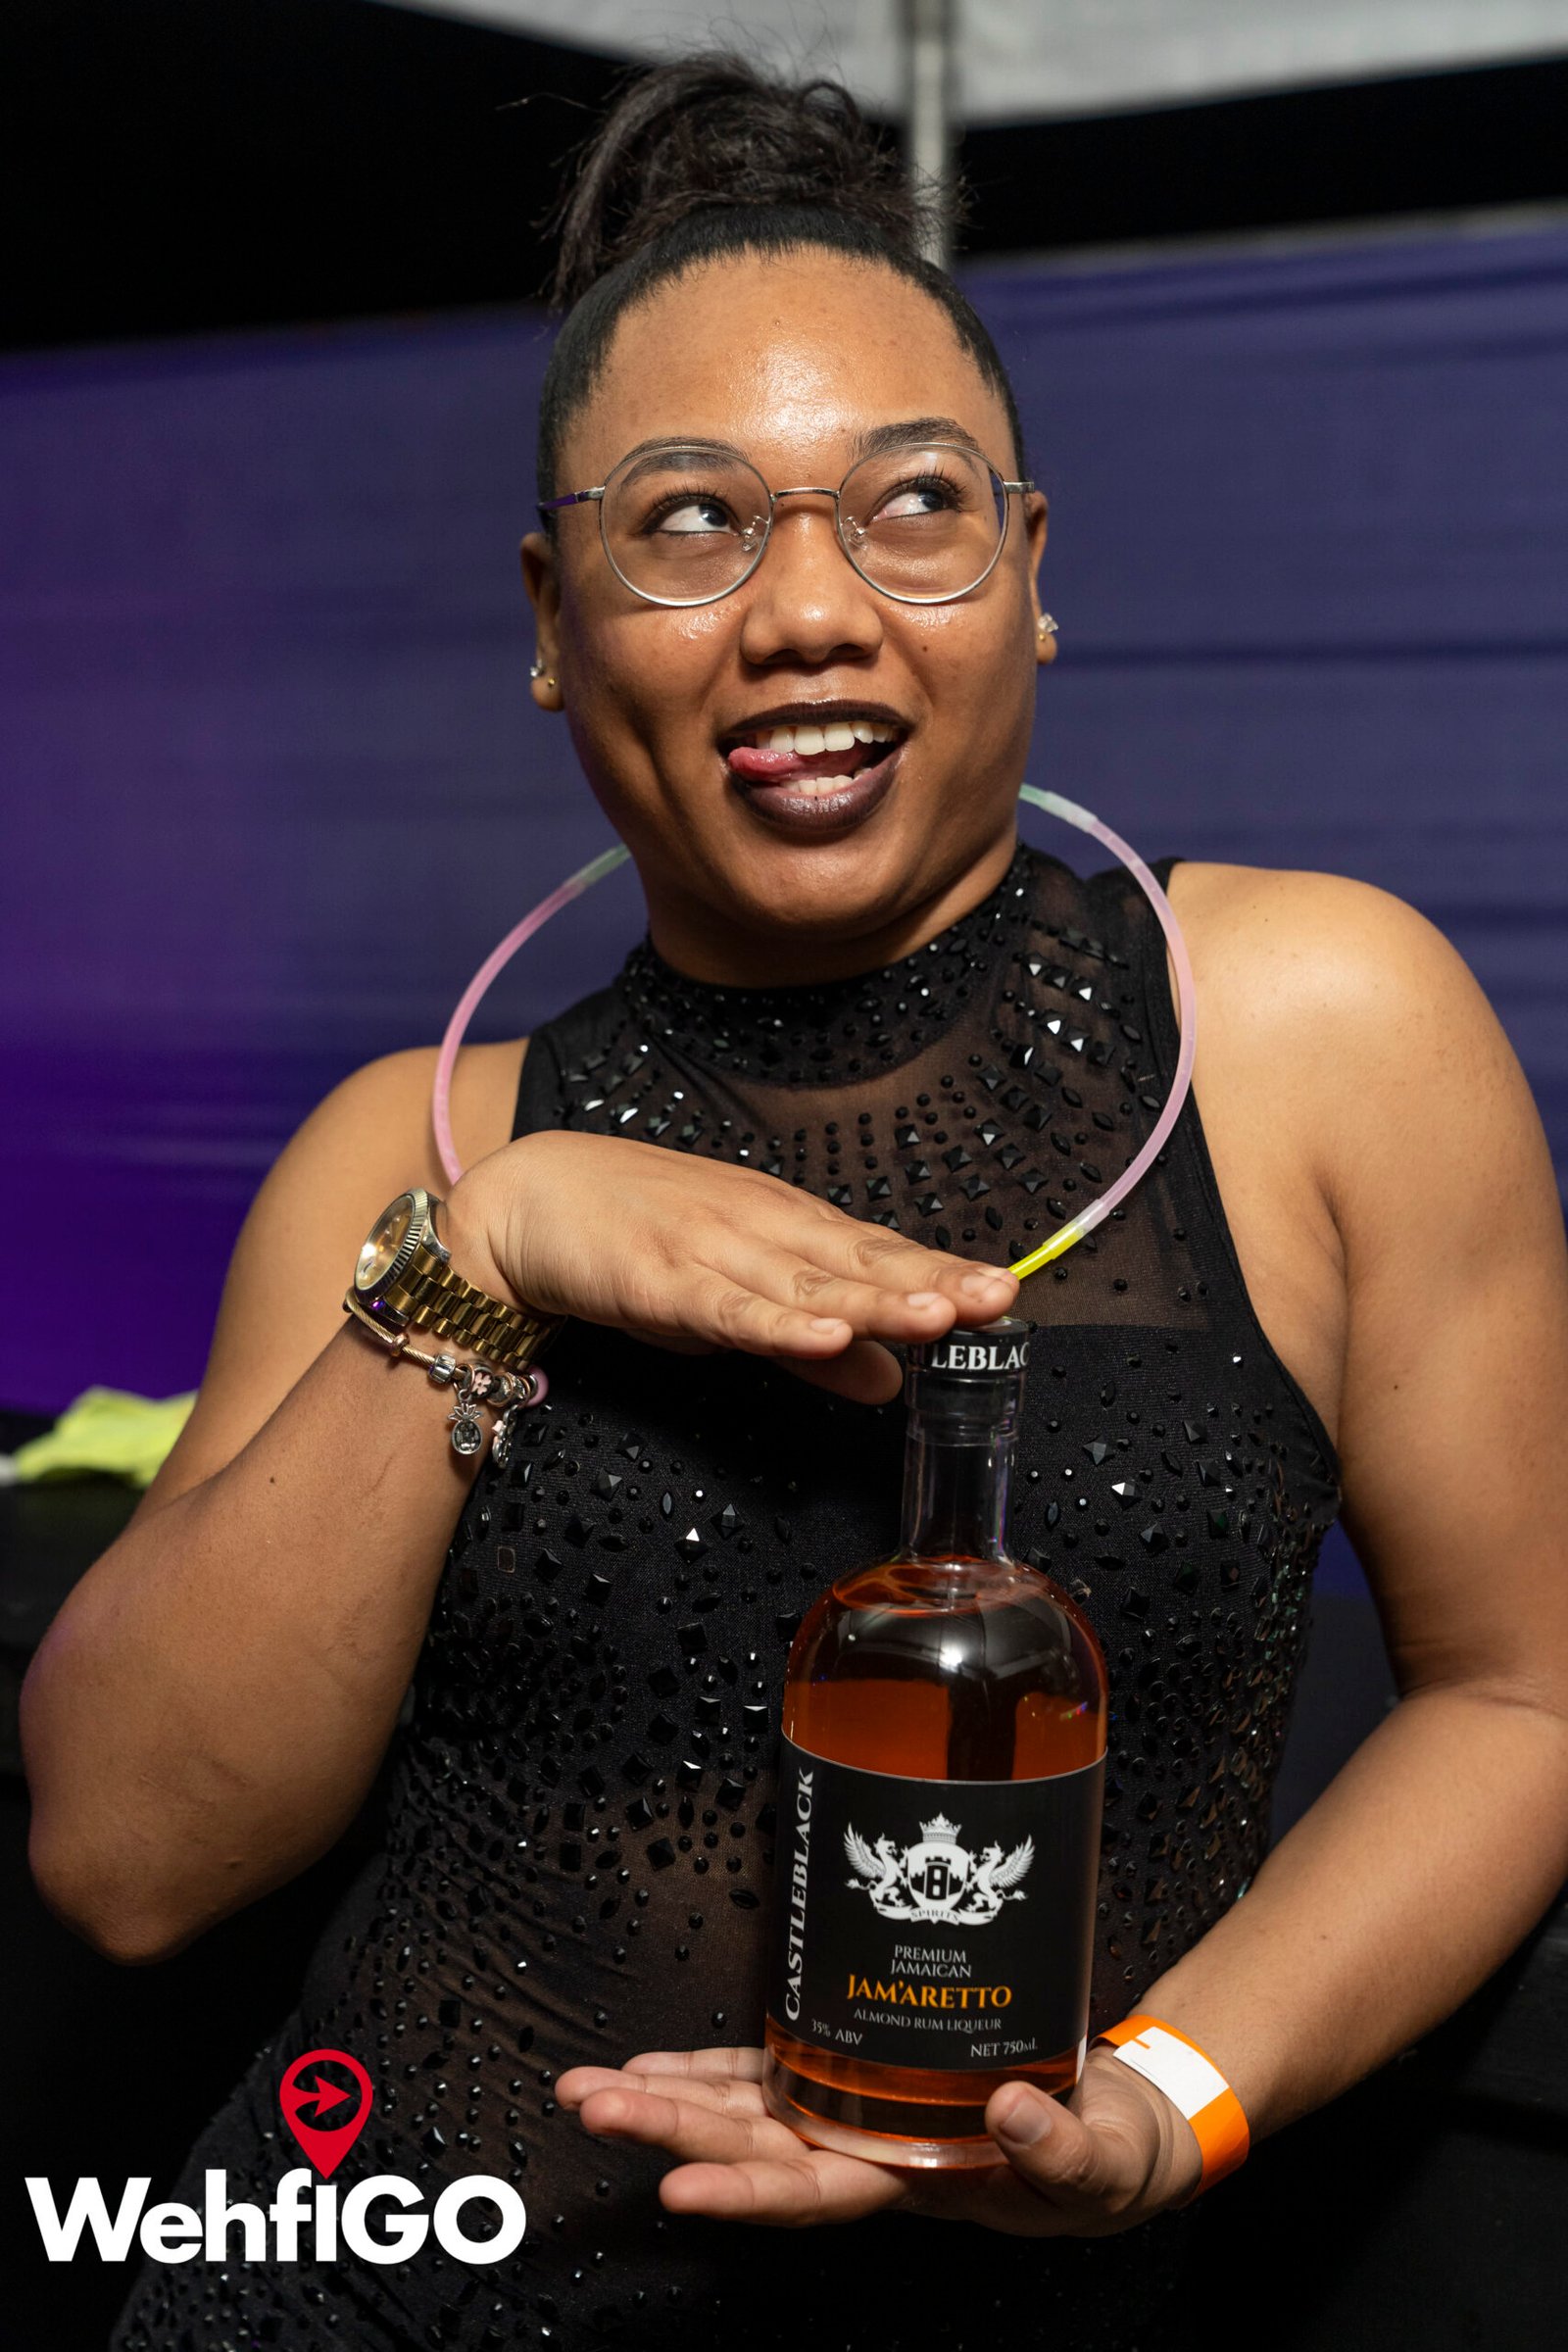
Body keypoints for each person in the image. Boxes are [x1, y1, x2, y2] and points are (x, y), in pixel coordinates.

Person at [22, 54, 1568, 2352]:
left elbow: (1523, 1697)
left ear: (1029, 573)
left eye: (910, 505)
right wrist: (489, 1258)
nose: (809, 611)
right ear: (551, 613)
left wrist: (1169, 2100)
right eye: (690, 522)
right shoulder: (417, 1144)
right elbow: (126, 1859)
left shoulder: (1312, 1027)